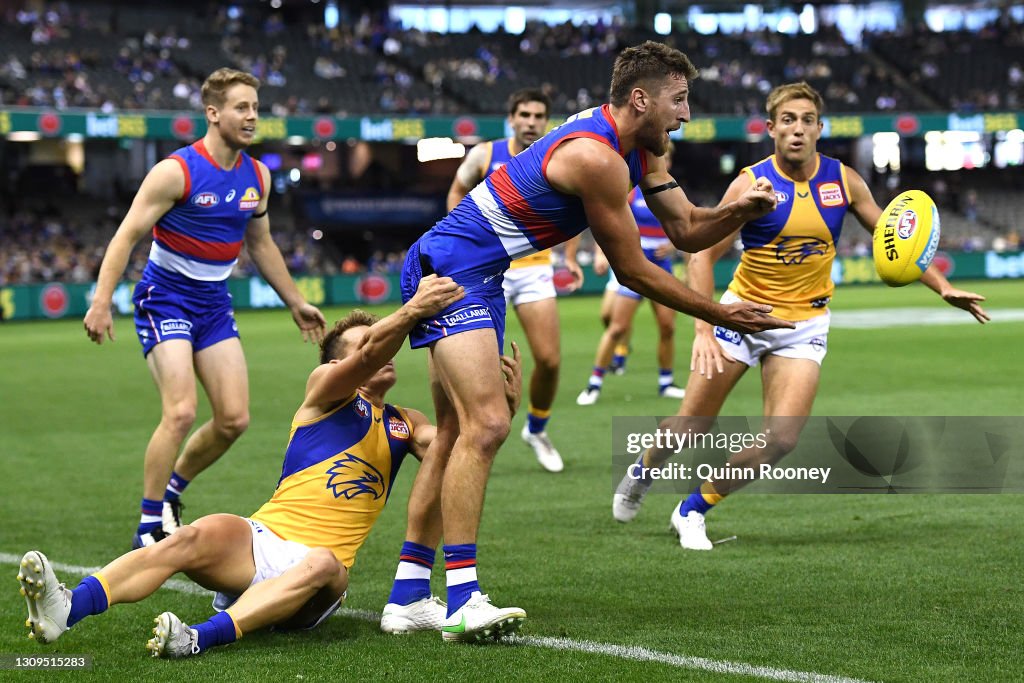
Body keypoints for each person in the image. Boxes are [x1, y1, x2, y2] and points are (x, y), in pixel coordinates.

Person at [397, 40, 794, 642]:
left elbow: (686, 231)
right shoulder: (597, 158)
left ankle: (406, 597)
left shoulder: (642, 148)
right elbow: (633, 270)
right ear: (641, 99)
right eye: (679, 100)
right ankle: (463, 598)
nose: (686, 114)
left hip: (476, 270)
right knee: (486, 425)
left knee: (455, 432)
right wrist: (723, 315)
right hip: (452, 270)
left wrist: (738, 210)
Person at [19, 275, 522, 657]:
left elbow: (456, 451)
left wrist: (498, 411)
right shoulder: (323, 392)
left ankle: (197, 638)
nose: (378, 350)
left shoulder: (403, 423)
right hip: (262, 540)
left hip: (318, 575)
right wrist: (411, 311)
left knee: (325, 560)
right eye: (362, 343)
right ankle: (67, 607)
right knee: (192, 535)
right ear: (335, 364)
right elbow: (366, 358)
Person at [611, 81, 990, 549]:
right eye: (787, 120)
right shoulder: (751, 182)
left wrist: (943, 286)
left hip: (803, 325)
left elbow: (893, 240)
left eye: (807, 120)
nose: (797, 129)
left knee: (782, 438)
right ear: (771, 128)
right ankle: (644, 468)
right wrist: (705, 329)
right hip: (741, 317)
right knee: (691, 425)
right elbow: (701, 255)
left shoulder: (844, 180)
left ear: (819, 128)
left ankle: (692, 509)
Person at [82, 68, 327, 550]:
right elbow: (127, 234)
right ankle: (149, 524)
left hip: (213, 304)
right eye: (241, 107)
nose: (252, 116)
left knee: (234, 419)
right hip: (165, 298)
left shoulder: (258, 176)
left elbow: (261, 243)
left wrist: (296, 302)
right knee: (180, 411)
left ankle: (172, 493)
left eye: (256, 107)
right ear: (213, 114)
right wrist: (100, 301)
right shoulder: (177, 171)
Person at [446, 88, 582, 473]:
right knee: (482, 366)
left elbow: (577, 209)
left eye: (539, 116)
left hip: (534, 267)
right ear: (511, 117)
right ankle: (474, 435)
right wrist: (461, 240)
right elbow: (458, 189)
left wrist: (569, 258)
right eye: (524, 114)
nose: (531, 122)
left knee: (550, 361)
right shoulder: (485, 155)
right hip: (486, 268)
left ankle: (536, 429)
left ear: (547, 120)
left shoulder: (558, 158)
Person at [577, 183, 688, 405]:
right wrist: (601, 254)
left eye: (666, 158)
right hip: (635, 267)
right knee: (617, 326)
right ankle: (594, 384)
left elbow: (685, 228)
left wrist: (673, 246)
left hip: (662, 268)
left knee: (668, 326)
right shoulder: (631, 190)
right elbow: (606, 219)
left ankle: (666, 383)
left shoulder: (673, 193)